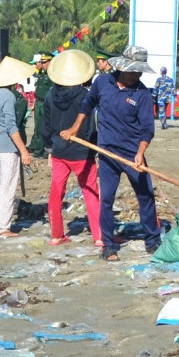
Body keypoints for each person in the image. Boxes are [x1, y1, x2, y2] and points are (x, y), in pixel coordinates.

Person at [60, 45, 160, 261]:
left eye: (139, 71)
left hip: (134, 155)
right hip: (107, 152)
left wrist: (141, 152)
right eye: (133, 71)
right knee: (106, 198)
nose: (137, 75)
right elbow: (87, 105)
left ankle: (153, 239)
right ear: (122, 67)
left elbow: (147, 129)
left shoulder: (142, 94)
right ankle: (107, 244)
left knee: (146, 195)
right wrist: (75, 128)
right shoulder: (103, 82)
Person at [41, 50, 102, 248]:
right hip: (81, 151)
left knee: (56, 192)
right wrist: (95, 150)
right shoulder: (85, 95)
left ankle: (56, 235)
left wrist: (49, 148)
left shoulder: (50, 95)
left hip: (59, 150)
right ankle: (99, 236)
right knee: (90, 191)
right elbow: (90, 126)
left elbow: (46, 124)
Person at [0, 57, 35, 238]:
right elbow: (11, 126)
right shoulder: (8, 96)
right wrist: (24, 150)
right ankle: (1, 228)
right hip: (7, 147)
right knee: (8, 187)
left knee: (4, 186)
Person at [28, 52, 55, 159]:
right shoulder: (42, 74)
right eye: (41, 62)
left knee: (45, 127)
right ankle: (38, 148)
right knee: (38, 127)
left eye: (44, 62)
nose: (42, 64)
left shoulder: (52, 75)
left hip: (46, 103)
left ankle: (44, 150)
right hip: (39, 102)